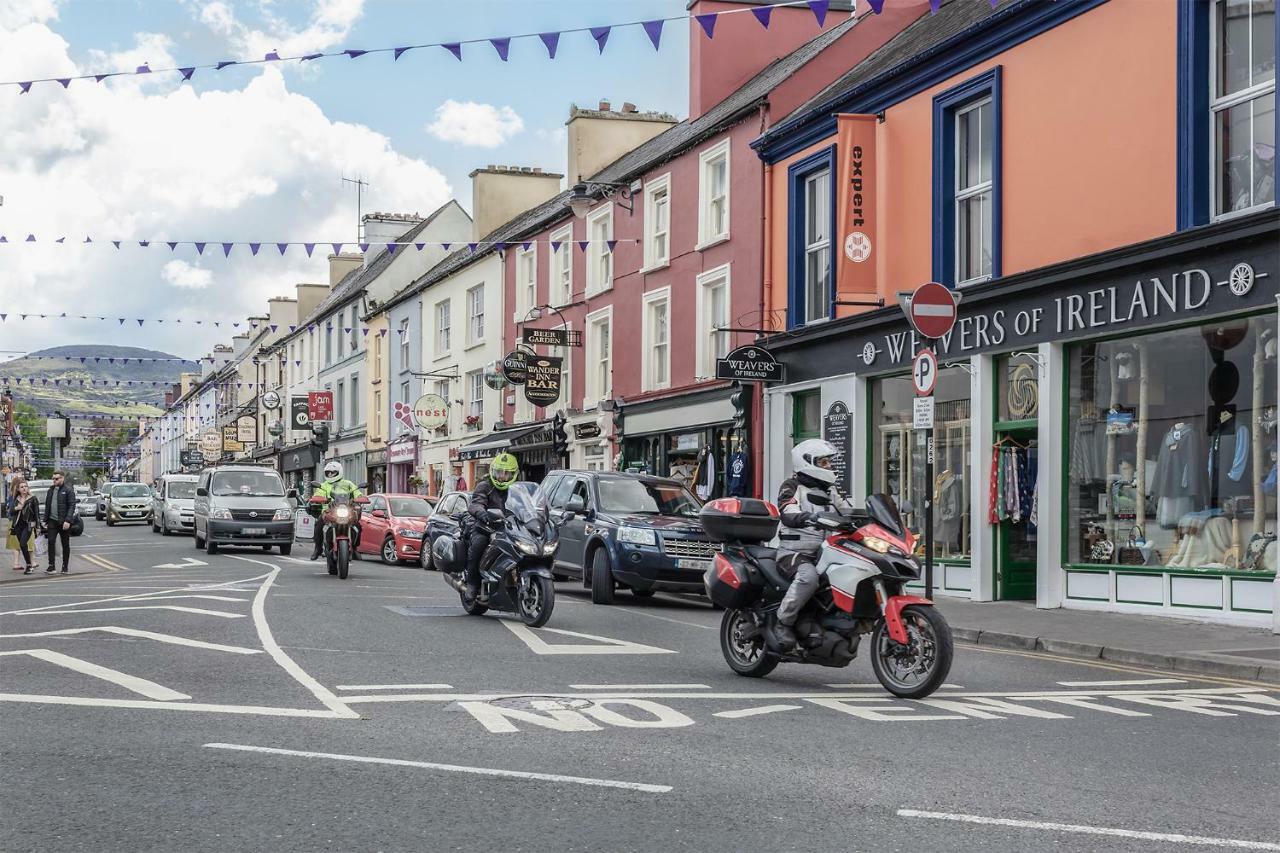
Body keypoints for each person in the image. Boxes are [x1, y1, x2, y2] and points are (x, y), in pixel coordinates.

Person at [774, 439, 854, 650]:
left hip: (824, 553)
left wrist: (867, 519)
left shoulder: (829, 491)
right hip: (793, 553)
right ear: (808, 462)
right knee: (808, 578)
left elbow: (846, 511)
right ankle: (783, 621)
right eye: (824, 462)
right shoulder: (792, 486)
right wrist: (809, 516)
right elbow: (787, 510)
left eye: (828, 462)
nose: (829, 467)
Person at [464, 452, 519, 597]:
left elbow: (527, 506)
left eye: (506, 473)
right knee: (479, 545)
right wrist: (482, 513)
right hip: (485, 527)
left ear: (513, 474)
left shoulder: (516, 489)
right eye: (499, 472)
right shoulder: (485, 486)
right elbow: (476, 504)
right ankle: (472, 582)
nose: (502, 476)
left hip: (508, 528)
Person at [309, 461, 364, 560]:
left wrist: (360, 498)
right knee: (318, 525)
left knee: (358, 526)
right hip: (329, 511)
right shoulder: (323, 485)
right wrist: (317, 498)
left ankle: (355, 548)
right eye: (328, 472)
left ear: (339, 472)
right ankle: (318, 549)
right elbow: (318, 495)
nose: (330, 474)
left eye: (333, 472)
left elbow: (357, 493)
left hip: (346, 510)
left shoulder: (348, 484)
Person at [43, 470, 75, 574]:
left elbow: (71, 506)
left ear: (62, 478)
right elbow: (48, 506)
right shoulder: (50, 490)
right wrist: (45, 520)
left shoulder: (68, 490)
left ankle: (65, 566)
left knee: (65, 544)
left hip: (64, 522)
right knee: (51, 542)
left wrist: (67, 520)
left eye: (56, 479)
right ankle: (51, 566)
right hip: (52, 521)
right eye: (53, 479)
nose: (54, 480)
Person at [8, 477, 39, 574]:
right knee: (22, 546)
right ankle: (29, 565)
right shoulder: (16, 499)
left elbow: (37, 514)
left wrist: (37, 527)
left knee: (23, 543)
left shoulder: (33, 499)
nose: (24, 488)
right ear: (18, 489)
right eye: (22, 487)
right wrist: (17, 508)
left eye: (26, 486)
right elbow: (11, 512)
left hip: (28, 525)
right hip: (17, 526)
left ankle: (29, 565)